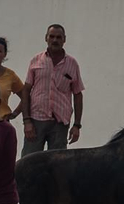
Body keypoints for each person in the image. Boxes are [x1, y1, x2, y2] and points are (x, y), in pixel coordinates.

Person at [20, 23, 85, 155]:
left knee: (58, 164)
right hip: (36, 121)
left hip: (59, 124)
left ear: (64, 39)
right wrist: (26, 121)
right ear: (46, 38)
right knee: (29, 161)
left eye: (59, 37)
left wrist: (77, 125)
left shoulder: (72, 64)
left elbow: (78, 94)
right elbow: (26, 90)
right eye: (52, 36)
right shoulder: (36, 61)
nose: (55, 40)